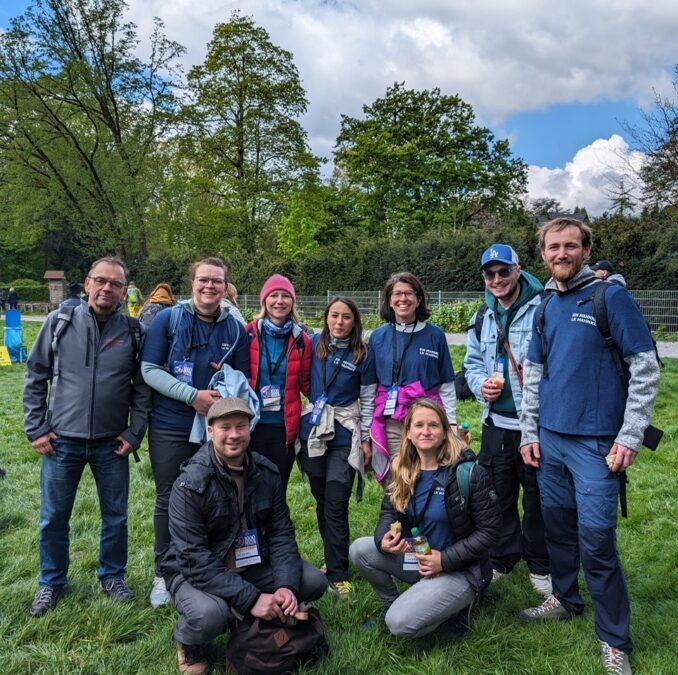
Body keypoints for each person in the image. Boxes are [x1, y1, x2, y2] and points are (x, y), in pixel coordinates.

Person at [518, 217, 661, 675]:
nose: (561, 254)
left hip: (599, 445)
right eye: (553, 247)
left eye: (570, 246)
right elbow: (534, 375)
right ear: (542, 254)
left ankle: (614, 639)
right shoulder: (544, 305)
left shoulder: (610, 298)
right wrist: (528, 432)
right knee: (558, 531)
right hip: (550, 444)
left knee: (597, 543)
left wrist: (630, 434)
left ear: (585, 249)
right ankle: (565, 598)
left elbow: (645, 368)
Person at [23, 256, 151, 617]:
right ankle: (51, 582)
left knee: (116, 516)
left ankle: (112, 576)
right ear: (87, 282)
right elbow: (35, 377)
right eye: (101, 281)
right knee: (53, 517)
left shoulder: (133, 331)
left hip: (112, 444)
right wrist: (36, 429)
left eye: (115, 284)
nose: (107, 288)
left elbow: (142, 389)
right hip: (61, 441)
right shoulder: (60, 322)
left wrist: (134, 432)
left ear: (124, 291)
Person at [161, 397, 327, 675]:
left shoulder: (266, 472)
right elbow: (193, 560)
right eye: (225, 427)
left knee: (312, 580)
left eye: (241, 426)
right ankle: (188, 642)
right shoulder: (189, 484)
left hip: (250, 564)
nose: (234, 435)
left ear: (250, 429)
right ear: (210, 430)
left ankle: (244, 611)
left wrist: (286, 586)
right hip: (194, 573)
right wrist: (251, 599)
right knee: (210, 616)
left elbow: (281, 534)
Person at [141, 257, 250, 609]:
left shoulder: (235, 328)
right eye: (203, 280)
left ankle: (214, 568)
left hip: (215, 430)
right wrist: (192, 397)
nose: (209, 287)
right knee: (169, 496)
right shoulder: (167, 319)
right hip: (171, 425)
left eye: (217, 281)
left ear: (225, 286)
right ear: (192, 283)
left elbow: (240, 380)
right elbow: (149, 369)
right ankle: (165, 573)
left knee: (218, 497)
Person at [349, 398, 500, 639]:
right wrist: (384, 538)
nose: (426, 431)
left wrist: (445, 560)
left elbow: (490, 531)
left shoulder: (468, 472)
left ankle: (459, 607)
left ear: (444, 433)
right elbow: (389, 512)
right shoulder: (402, 468)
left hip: (459, 569)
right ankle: (393, 602)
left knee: (399, 624)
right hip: (420, 556)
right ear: (408, 432)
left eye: (433, 425)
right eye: (419, 425)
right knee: (360, 549)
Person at [463, 244, 551, 598]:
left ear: (517, 270)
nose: (497, 279)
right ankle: (502, 558)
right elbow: (470, 364)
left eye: (503, 271)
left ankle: (541, 565)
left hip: (536, 424)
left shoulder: (544, 308)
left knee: (537, 497)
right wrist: (478, 385)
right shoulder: (482, 316)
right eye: (490, 273)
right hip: (496, 423)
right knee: (497, 496)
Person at [298, 297, 374, 597]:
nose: (339, 322)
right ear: (326, 318)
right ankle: (331, 562)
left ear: (354, 322)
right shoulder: (313, 344)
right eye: (334, 316)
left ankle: (339, 573)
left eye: (345, 317)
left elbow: (368, 398)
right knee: (321, 499)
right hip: (315, 431)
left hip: (344, 433)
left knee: (336, 501)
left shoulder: (363, 354)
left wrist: (366, 438)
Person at [365, 271, 457, 483]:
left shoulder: (435, 336)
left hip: (427, 421)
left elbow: (446, 384)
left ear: (419, 299)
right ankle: (396, 517)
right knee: (396, 479)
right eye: (397, 294)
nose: (403, 299)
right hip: (392, 422)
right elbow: (369, 388)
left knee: (426, 477)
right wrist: (365, 431)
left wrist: (451, 423)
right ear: (389, 300)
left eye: (409, 293)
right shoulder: (378, 337)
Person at [245, 274, 311, 493]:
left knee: (277, 487)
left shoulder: (301, 340)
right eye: (274, 295)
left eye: (285, 296)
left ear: (292, 302)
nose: (279, 301)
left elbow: (308, 384)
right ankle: (251, 528)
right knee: (250, 484)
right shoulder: (249, 333)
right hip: (252, 424)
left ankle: (275, 528)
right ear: (264, 301)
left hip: (284, 428)